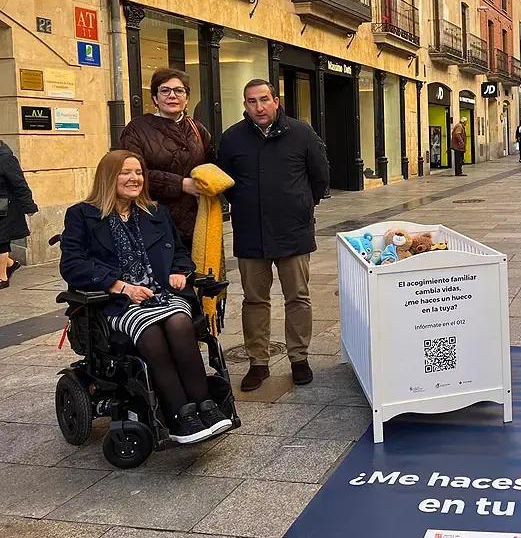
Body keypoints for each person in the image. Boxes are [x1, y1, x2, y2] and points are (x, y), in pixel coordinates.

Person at [59, 150, 231, 444]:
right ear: (108, 177)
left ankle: (206, 406)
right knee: (150, 333)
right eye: (126, 172)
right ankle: (180, 416)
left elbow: (178, 251)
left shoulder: (156, 212)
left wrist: (180, 270)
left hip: (163, 294)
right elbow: (72, 264)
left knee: (179, 323)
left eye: (138, 172)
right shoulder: (82, 215)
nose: (134, 178)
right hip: (119, 302)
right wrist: (119, 285)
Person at [218, 79, 330, 392]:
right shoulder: (233, 138)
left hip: (293, 231)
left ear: (276, 101)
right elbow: (223, 181)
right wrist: (243, 205)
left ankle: (299, 358)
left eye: (264, 99)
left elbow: (320, 176)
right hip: (251, 233)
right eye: (252, 101)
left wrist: (302, 205)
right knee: (255, 300)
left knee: (298, 297)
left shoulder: (301, 133)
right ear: (245, 105)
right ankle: (258, 362)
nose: (259, 107)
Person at [120, 68, 215, 248]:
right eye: (165, 90)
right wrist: (180, 184)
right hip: (153, 221)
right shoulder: (137, 129)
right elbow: (130, 175)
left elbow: (211, 165)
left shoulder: (198, 129)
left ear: (187, 98)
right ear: (155, 98)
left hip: (196, 221)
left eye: (179, 90)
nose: (172, 95)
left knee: (196, 274)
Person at [0, 141, 38, 289]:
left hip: (6, 207)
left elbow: (19, 183)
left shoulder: (5, 159)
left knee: (1, 241)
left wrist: (28, 205)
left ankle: (2, 277)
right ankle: (10, 264)